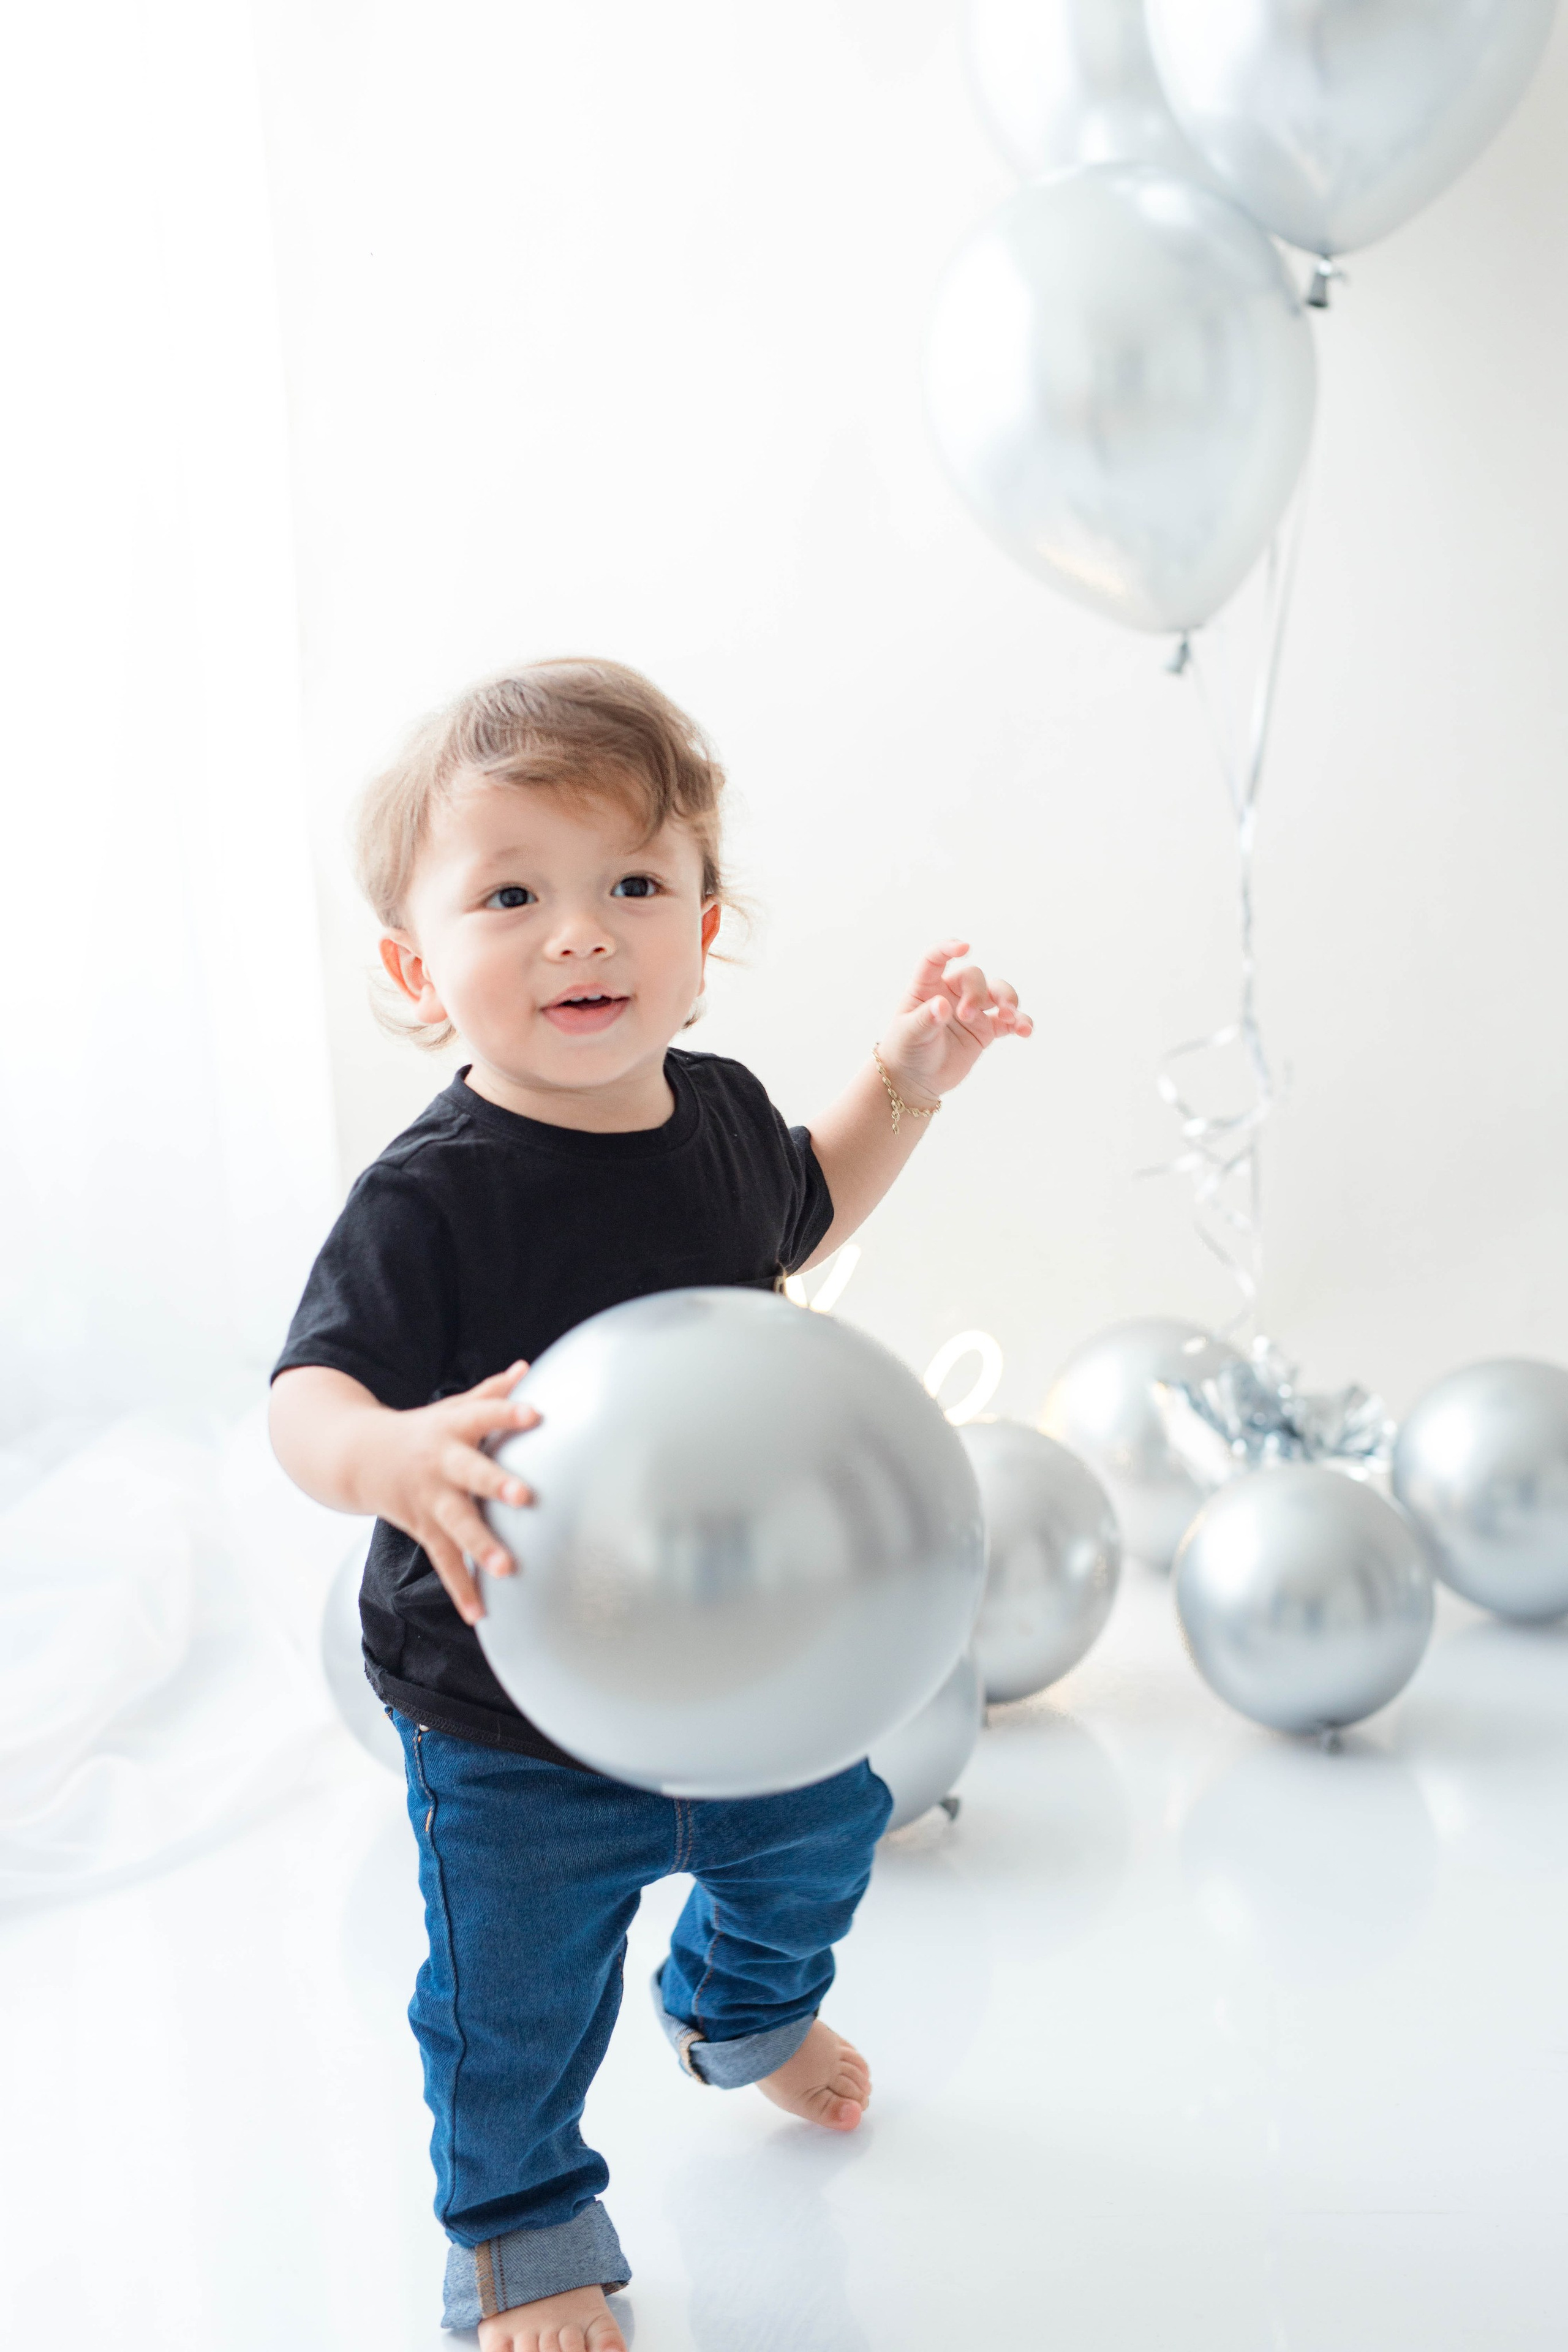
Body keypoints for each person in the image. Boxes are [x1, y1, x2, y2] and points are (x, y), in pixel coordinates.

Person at [270, 660, 1031, 2352]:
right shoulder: (430, 1201)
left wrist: (910, 1076)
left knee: (824, 1845)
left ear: (706, 926)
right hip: (510, 1715)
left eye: (634, 885)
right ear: (416, 967)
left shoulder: (722, 1119)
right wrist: (385, 1456)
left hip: (750, 1677)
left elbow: (809, 1203)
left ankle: (740, 2011)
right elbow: (304, 1399)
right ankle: (523, 2228)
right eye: (513, 894)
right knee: (512, 1995)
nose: (582, 934)